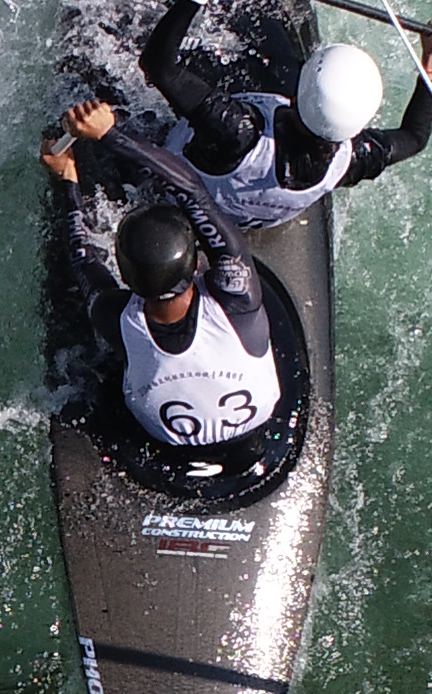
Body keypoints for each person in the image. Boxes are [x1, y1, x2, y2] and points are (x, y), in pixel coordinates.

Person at [57, 0, 432, 238]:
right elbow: (415, 137)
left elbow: (157, 66)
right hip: (239, 215)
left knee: (140, 57)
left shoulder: (237, 128)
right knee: (271, 47)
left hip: (175, 180)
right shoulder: (349, 160)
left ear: (302, 91)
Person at [38, 115, 287, 450]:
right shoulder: (238, 297)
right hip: (256, 424)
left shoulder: (113, 316)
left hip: (163, 437)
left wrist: (67, 178)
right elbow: (192, 190)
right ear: (196, 263)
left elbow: (82, 257)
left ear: (123, 277)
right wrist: (110, 133)